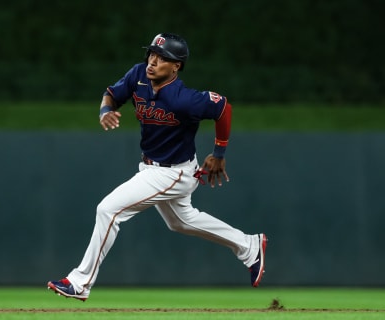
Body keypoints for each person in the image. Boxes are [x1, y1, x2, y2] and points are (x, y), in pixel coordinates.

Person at [47, 33, 267, 301]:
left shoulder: (184, 99)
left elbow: (223, 108)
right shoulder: (139, 75)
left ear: (176, 66)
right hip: (152, 167)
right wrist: (105, 111)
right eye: (152, 54)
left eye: (162, 58)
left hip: (174, 172)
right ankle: (249, 245)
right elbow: (111, 95)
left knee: (108, 210)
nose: (153, 61)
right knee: (181, 221)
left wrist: (219, 152)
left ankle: (79, 282)